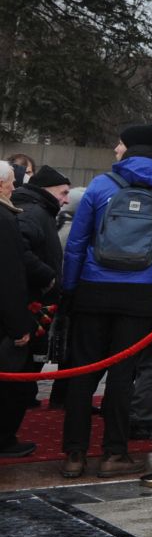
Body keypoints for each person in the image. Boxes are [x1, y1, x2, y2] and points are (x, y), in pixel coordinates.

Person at [59, 121, 152, 479]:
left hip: (92, 285)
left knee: (83, 373)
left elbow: (76, 243)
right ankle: (114, 453)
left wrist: (69, 289)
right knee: (123, 375)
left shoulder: (102, 185)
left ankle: (74, 454)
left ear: (129, 149)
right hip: (141, 293)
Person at [0, 168, 40, 457]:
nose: (14, 188)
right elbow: (10, 277)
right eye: (11, 183)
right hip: (3, 321)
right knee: (7, 386)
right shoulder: (4, 219)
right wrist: (19, 325)